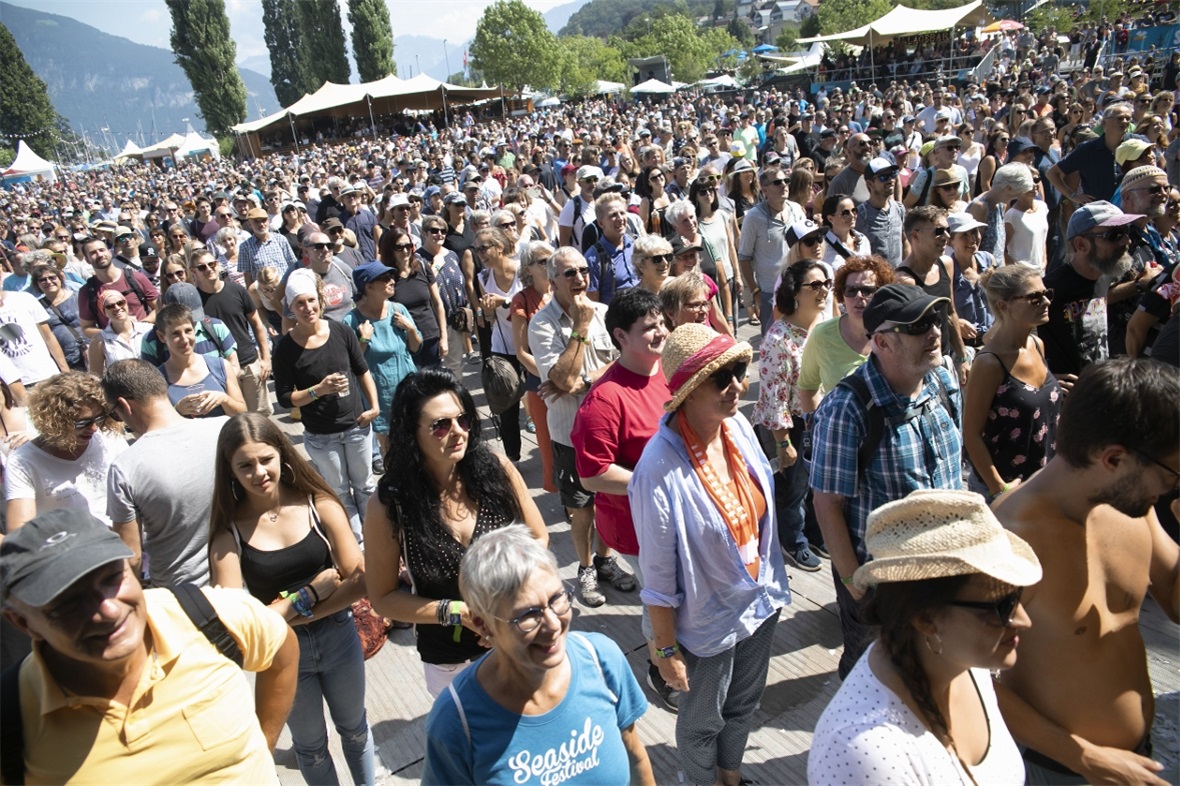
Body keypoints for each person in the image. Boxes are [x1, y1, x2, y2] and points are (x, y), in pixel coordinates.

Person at [0, 508, 299, 784]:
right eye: (69, 602)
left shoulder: (207, 615)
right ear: (23, 622)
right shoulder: (13, 717)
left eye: (112, 578)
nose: (109, 610)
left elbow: (282, 648)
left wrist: (264, 744)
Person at [994, 358, 1179, 786]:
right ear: (1114, 458)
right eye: (1172, 474)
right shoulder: (1012, 539)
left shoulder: (1134, 504)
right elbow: (961, 677)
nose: (1172, 487)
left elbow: (1175, 601)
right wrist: (1087, 760)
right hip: (1058, 770)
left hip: (1138, 760)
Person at [630, 322, 791, 786]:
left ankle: (731, 779)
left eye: (739, 371)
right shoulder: (658, 469)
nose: (738, 385)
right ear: (687, 393)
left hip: (759, 602)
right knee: (702, 724)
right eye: (721, 378)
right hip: (708, 624)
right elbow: (657, 578)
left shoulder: (736, 426)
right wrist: (665, 650)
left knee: (743, 706)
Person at [809, 489, 1041, 785]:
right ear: (925, 619)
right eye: (1002, 606)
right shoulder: (864, 754)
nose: (1024, 620)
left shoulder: (961, 660)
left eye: (1018, 596)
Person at [209, 413, 375, 786]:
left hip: (338, 638)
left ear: (282, 454)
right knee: (311, 747)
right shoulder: (227, 535)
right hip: (281, 657)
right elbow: (238, 626)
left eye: (265, 459)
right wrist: (309, 595)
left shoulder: (319, 504)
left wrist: (288, 614)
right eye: (245, 465)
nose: (258, 472)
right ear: (230, 471)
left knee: (356, 731)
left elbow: (361, 580)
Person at [421, 525, 655, 786]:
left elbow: (635, 757)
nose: (553, 625)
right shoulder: (456, 722)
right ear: (483, 625)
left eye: (557, 599)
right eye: (528, 614)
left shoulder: (601, 659)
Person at [810, 284, 964, 679]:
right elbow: (827, 503)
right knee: (874, 677)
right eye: (917, 326)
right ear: (881, 342)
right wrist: (854, 585)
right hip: (885, 586)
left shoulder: (942, 381)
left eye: (934, 320)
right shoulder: (847, 407)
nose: (934, 331)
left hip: (945, 571)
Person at [364, 368, 547, 697]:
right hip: (453, 663)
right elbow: (383, 598)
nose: (458, 431)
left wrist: (510, 605)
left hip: (519, 638)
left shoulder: (497, 469)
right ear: (411, 433)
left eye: (464, 420)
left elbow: (538, 537)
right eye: (440, 425)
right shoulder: (391, 504)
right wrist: (456, 612)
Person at [570, 288, 678, 709]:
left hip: (678, 515)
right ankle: (661, 670)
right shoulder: (604, 399)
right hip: (638, 527)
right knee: (661, 600)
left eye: (662, 323)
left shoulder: (669, 371)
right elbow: (592, 474)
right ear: (620, 336)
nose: (661, 332)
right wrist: (655, 482)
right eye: (648, 327)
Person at [528, 247, 634, 607]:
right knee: (581, 507)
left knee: (610, 500)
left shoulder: (605, 312)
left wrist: (584, 381)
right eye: (569, 273)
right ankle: (586, 568)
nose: (579, 279)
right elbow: (559, 379)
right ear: (552, 280)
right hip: (569, 433)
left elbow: (624, 362)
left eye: (583, 271)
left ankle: (605, 560)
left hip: (610, 429)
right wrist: (581, 327)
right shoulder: (542, 324)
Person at [273, 269, 380, 543]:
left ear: (320, 300)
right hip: (322, 435)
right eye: (299, 303)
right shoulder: (285, 348)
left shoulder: (341, 331)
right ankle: (358, 545)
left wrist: (374, 406)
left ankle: (376, 538)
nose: (307, 308)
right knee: (340, 492)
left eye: (311, 300)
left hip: (356, 426)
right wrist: (318, 390)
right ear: (290, 308)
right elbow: (285, 398)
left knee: (366, 487)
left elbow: (362, 370)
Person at [100, 359, 224, 588]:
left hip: (181, 593)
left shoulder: (125, 468)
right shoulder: (224, 429)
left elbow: (131, 557)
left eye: (115, 414)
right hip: (242, 579)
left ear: (125, 405)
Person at [753, 262, 830, 572]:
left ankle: (814, 533)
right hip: (788, 424)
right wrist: (784, 443)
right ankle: (793, 541)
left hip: (819, 418)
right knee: (793, 489)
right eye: (815, 285)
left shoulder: (823, 325)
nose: (824, 290)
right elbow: (774, 397)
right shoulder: (778, 339)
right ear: (795, 293)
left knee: (816, 484)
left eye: (826, 283)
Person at [962, 265, 1062, 500]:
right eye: (1034, 297)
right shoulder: (989, 363)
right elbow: (971, 435)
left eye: (1047, 293)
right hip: (1007, 492)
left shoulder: (1037, 345)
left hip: (1043, 484)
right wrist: (999, 489)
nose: (1046, 302)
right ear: (1003, 306)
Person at [4, 371, 127, 531]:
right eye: (82, 423)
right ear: (55, 422)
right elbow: (19, 529)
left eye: (98, 418)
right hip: (70, 544)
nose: (94, 428)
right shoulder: (22, 462)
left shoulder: (109, 437)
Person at [1041, 201, 1141, 377]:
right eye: (1114, 235)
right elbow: (1009, 343)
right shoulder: (1049, 289)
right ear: (1081, 244)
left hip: (1098, 385)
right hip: (1066, 392)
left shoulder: (1104, 276)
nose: (1127, 241)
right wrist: (1045, 378)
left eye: (1127, 232)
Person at [797, 254, 896, 412]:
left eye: (867, 290)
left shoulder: (897, 333)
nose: (859, 296)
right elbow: (807, 387)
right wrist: (815, 421)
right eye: (851, 290)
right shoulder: (822, 335)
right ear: (841, 295)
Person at [342, 262, 421, 459]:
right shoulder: (352, 320)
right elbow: (351, 363)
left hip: (407, 385)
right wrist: (363, 340)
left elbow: (415, 347)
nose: (392, 281)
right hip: (380, 392)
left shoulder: (398, 310)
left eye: (391, 277)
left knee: (417, 437)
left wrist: (410, 329)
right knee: (390, 446)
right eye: (385, 279)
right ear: (368, 286)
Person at [191, 248, 273, 415]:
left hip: (249, 363)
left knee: (260, 418)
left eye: (211, 264)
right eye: (202, 267)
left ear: (218, 264)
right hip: (219, 371)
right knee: (235, 420)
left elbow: (257, 324)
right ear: (194, 271)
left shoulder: (237, 290)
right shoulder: (194, 301)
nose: (208, 269)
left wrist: (266, 358)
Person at [510, 241, 557, 494]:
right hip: (541, 384)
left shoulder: (562, 289)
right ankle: (562, 498)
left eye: (552, 259)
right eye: (542, 261)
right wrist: (552, 377)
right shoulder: (521, 300)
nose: (549, 264)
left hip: (571, 377)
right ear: (528, 269)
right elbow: (521, 352)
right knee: (548, 445)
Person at [473, 227, 524, 461]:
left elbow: (535, 303)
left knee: (539, 400)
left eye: (484, 248)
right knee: (506, 406)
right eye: (477, 249)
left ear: (500, 247)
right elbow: (489, 318)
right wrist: (486, 311)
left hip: (529, 344)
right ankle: (513, 458)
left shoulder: (522, 271)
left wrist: (504, 301)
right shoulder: (484, 278)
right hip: (502, 346)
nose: (480, 254)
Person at [738, 167, 806, 330]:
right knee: (772, 340)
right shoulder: (754, 217)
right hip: (770, 293)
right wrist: (755, 292)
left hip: (799, 287)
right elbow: (744, 258)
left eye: (786, 181)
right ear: (765, 189)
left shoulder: (796, 209)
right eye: (777, 182)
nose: (784, 185)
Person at [155, 303, 246, 419]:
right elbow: (156, 423)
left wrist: (224, 399)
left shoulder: (221, 366)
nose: (184, 339)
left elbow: (242, 413)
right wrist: (178, 410)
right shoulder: (157, 379)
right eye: (175, 333)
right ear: (161, 336)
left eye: (188, 331)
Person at [409, 216, 456, 370]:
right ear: (424, 233)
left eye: (443, 231)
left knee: (455, 366)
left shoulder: (451, 255)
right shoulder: (418, 259)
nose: (439, 234)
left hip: (454, 320)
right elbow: (420, 287)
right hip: (434, 322)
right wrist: (435, 266)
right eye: (434, 230)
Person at [945, 211, 997, 348]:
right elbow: (940, 310)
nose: (972, 239)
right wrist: (957, 322)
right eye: (964, 235)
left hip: (993, 341)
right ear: (949, 241)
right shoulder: (947, 271)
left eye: (974, 232)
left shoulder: (988, 260)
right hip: (965, 346)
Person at [0, 286, 69, 387]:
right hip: (14, 384)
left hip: (47, 374)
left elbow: (48, 336)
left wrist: (65, 371)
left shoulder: (24, 299)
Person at [30, 263, 85, 371]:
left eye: (52, 277)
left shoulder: (79, 297)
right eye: (42, 280)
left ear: (60, 278)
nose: (48, 282)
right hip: (68, 361)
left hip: (91, 351)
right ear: (37, 284)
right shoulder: (37, 307)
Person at [855, 157, 908, 267]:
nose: (890, 180)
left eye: (892, 175)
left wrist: (906, 270)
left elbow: (904, 241)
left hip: (898, 275)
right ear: (870, 184)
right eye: (883, 177)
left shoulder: (899, 209)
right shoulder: (860, 214)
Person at [820, 193, 872, 278]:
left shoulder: (863, 240)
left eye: (854, 210)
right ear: (830, 218)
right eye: (845, 213)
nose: (852, 216)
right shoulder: (822, 246)